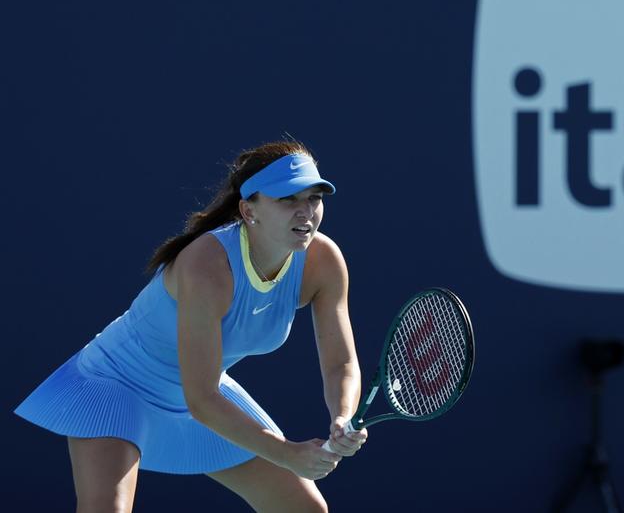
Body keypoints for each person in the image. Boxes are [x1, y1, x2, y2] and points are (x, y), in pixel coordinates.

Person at [14, 140, 368, 512]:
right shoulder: (206, 264)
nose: (306, 212)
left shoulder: (323, 262)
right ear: (249, 211)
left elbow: (340, 364)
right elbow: (202, 400)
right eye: (287, 200)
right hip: (117, 384)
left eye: (313, 198)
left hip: (200, 391)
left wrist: (342, 416)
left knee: (304, 509)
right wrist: (285, 452)